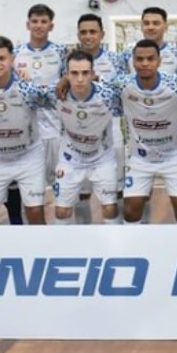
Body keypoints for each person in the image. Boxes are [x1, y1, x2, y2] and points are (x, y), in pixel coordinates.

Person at [0, 36, 59, 225]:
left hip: (28, 157)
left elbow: (58, 95)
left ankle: (40, 251)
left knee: (34, 213)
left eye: (2, 58)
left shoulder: (27, 89)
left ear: (12, 60)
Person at [105, 39, 177, 224]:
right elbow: (96, 89)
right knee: (131, 210)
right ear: (133, 62)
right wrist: (66, 80)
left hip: (173, 156)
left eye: (150, 59)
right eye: (140, 59)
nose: (145, 63)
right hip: (140, 158)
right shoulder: (121, 84)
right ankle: (133, 248)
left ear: (159, 61)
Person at [53, 50, 123, 224]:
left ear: (93, 74)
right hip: (70, 158)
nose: (80, 79)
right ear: (66, 75)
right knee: (61, 211)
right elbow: (28, 93)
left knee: (110, 208)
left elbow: (132, 86)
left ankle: (115, 247)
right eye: (74, 73)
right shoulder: (56, 94)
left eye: (85, 73)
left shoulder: (108, 95)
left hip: (102, 159)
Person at [72, 13, 129, 224]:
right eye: (84, 32)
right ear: (78, 35)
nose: (88, 36)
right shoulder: (69, 62)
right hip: (79, 130)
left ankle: (120, 232)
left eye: (92, 32)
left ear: (102, 34)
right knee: (81, 189)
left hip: (110, 128)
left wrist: (99, 83)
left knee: (117, 187)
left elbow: (122, 93)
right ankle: (84, 233)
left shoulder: (116, 60)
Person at [14, 4, 66, 216]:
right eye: (34, 21)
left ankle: (66, 234)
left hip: (56, 130)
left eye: (43, 21)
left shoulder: (61, 53)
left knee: (63, 189)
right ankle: (33, 240)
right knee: (32, 193)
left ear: (51, 25)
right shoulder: (15, 54)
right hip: (29, 134)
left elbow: (68, 85)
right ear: (28, 24)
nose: (38, 25)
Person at [121, 6, 177, 75]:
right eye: (146, 23)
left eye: (156, 23)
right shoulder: (127, 54)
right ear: (141, 27)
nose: (150, 27)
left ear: (166, 27)